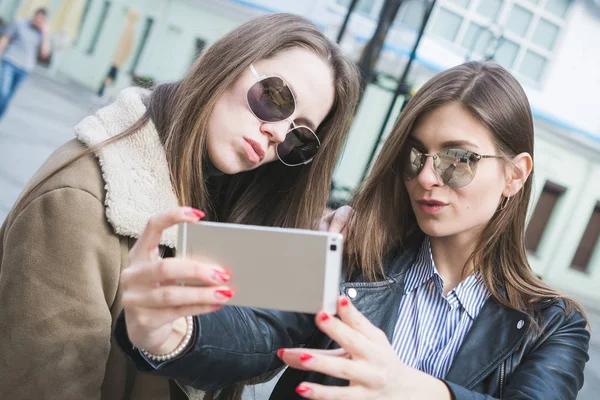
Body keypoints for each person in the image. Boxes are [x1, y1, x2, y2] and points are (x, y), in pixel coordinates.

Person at [115, 61, 590, 400]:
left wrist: (417, 392)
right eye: (416, 155)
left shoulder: (552, 326)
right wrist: (168, 332)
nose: (427, 176)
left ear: (515, 174)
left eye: (458, 159)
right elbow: (257, 332)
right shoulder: (354, 254)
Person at [0, 13, 360, 400]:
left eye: (299, 135)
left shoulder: (228, 203)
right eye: (275, 97)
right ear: (230, 63)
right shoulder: (78, 201)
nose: (277, 132)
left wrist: (313, 252)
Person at [0, 7, 51, 119]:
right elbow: (6, 39)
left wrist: (45, 34)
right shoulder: (20, 23)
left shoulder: (42, 33)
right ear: (34, 15)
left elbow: (44, 54)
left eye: (41, 20)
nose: (38, 21)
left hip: (25, 68)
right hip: (10, 61)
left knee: (8, 96)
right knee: (3, 92)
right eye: (37, 18)